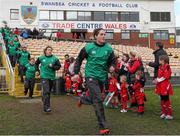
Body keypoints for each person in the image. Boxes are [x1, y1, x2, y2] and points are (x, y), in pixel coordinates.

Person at [72, 28, 116, 134]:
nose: (103, 36)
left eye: (104, 34)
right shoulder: (88, 47)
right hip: (90, 76)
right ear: (96, 36)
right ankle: (103, 126)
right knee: (98, 99)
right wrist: (76, 73)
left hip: (102, 77)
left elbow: (113, 60)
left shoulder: (109, 49)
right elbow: (79, 59)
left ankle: (83, 99)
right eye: (101, 34)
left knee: (95, 98)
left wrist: (112, 66)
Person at [35, 46, 61, 113]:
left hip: (52, 77)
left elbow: (59, 66)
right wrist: (37, 70)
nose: (50, 51)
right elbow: (36, 63)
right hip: (44, 76)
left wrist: (53, 66)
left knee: (48, 92)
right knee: (46, 91)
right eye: (48, 50)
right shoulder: (41, 58)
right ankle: (47, 107)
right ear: (45, 51)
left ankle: (44, 98)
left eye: (51, 50)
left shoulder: (55, 58)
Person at [153, 55, 173, 120]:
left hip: (165, 86)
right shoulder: (160, 67)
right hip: (160, 85)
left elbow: (165, 76)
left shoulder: (167, 67)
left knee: (166, 100)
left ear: (163, 60)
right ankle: (164, 113)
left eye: (159, 60)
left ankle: (169, 114)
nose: (158, 61)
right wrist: (156, 80)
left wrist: (158, 80)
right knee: (162, 99)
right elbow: (160, 76)